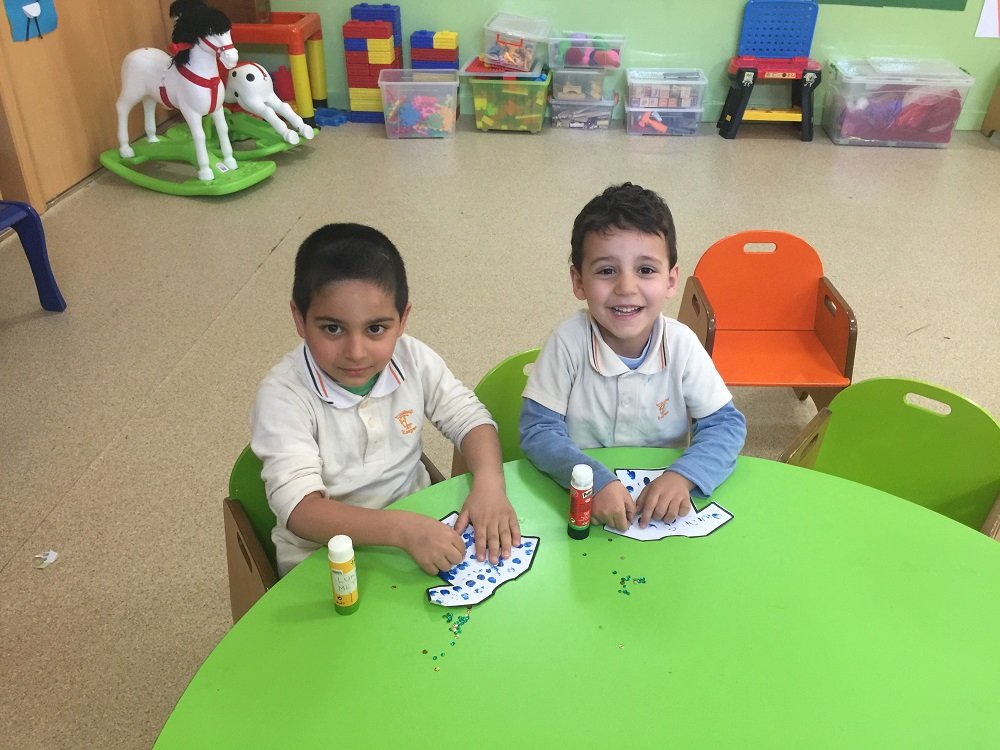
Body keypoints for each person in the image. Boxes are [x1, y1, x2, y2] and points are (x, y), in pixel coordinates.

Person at [252, 223, 520, 577]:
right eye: (332, 328)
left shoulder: (413, 358)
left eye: (375, 328)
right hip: (322, 560)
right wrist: (402, 530)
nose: (356, 351)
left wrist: (489, 482)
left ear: (402, 319)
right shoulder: (282, 396)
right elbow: (301, 510)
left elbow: (469, 419)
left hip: (417, 532)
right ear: (300, 320)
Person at [520, 182, 746, 532]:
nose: (626, 288)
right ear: (579, 281)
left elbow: (725, 426)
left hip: (660, 516)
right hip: (581, 505)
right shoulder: (567, 342)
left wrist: (685, 476)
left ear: (671, 280)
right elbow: (537, 430)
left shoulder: (682, 345)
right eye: (606, 271)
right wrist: (594, 481)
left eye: (646, 270)